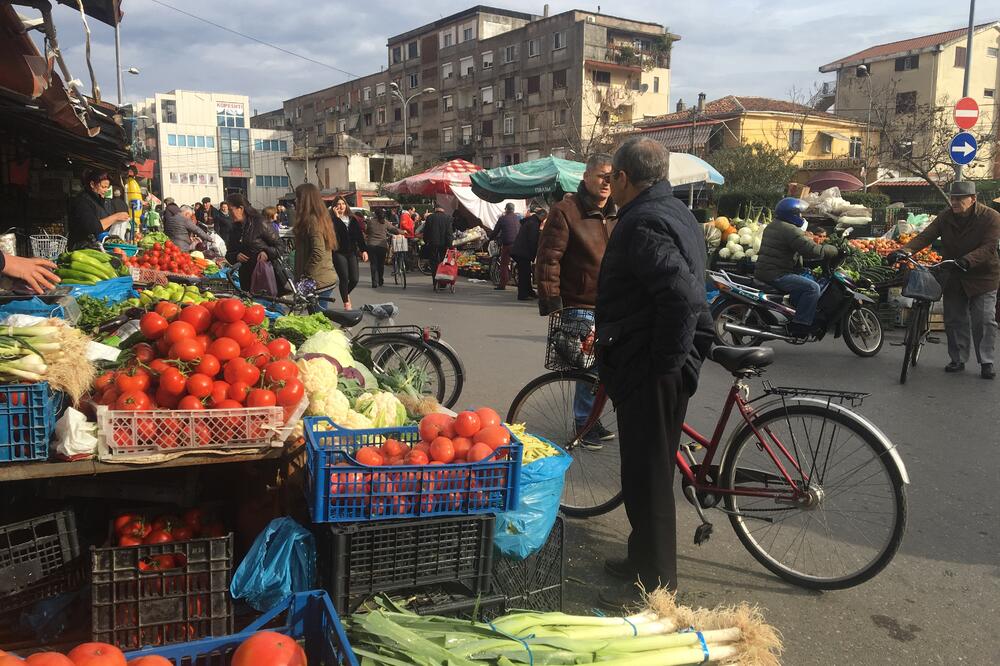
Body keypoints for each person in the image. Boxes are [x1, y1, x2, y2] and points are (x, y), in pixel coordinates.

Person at [594, 137, 714, 606]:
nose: (610, 187)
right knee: (644, 470)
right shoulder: (675, 210)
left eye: (612, 179)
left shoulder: (642, 221)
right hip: (657, 357)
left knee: (649, 476)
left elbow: (681, 296)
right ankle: (640, 558)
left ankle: (657, 586)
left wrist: (665, 363)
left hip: (652, 363)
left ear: (624, 178)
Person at [535, 153, 618, 446]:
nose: (606, 183)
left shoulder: (617, 211)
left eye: (611, 177)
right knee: (589, 366)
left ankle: (591, 419)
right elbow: (548, 258)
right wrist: (552, 301)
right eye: (601, 176)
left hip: (611, 303)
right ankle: (584, 423)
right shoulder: (566, 211)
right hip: (579, 303)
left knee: (605, 367)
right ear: (586, 177)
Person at [894, 181, 1000, 379]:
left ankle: (986, 361)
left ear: (973, 199)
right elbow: (926, 236)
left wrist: (967, 260)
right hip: (954, 273)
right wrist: (904, 250)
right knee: (954, 319)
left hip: (983, 276)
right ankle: (958, 358)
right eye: (953, 198)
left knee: (984, 319)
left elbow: (989, 247)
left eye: (960, 199)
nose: (955, 202)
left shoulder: (991, 217)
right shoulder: (945, 217)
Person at [753, 197, 838, 337]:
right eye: (799, 214)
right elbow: (811, 250)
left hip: (765, 271)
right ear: (791, 214)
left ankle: (795, 311)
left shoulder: (773, 225)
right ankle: (800, 325)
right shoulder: (790, 230)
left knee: (806, 279)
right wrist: (830, 250)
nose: (801, 217)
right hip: (777, 274)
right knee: (812, 288)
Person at [227, 193, 285, 293]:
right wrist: (236, 256)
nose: (229, 213)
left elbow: (280, 246)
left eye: (230, 209)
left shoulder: (260, 223)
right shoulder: (234, 228)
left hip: (265, 277)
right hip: (246, 279)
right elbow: (229, 253)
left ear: (241, 208)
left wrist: (267, 253)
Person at [293, 183, 339, 305]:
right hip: (318, 278)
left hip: (317, 280)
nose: (295, 201)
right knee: (315, 314)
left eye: (298, 197)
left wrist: (305, 273)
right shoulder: (318, 218)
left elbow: (318, 252)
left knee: (317, 316)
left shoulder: (313, 221)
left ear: (305, 200)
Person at [67, 170, 131, 249]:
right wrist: (115, 217)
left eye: (107, 187)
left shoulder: (99, 201)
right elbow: (92, 227)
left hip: (96, 246)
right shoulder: (82, 201)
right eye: (103, 187)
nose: (106, 190)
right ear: (92, 184)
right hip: (81, 248)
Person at [330, 195, 368, 310]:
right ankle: (347, 304)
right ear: (334, 207)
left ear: (346, 205)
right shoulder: (331, 221)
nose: (341, 206)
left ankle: (345, 294)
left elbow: (359, 236)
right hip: (338, 252)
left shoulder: (352, 219)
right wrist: (337, 218)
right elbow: (334, 233)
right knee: (344, 278)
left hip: (351, 252)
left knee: (354, 279)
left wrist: (364, 250)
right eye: (338, 204)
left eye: (343, 204)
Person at [511, 207, 546, 301]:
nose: (543, 221)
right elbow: (532, 240)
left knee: (526, 272)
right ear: (541, 216)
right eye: (544, 218)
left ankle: (529, 291)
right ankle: (523, 294)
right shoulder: (533, 224)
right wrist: (534, 254)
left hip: (519, 251)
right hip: (523, 252)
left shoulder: (530, 221)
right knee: (524, 273)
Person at [365, 209, 402, 288]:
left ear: (375, 214)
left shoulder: (370, 222)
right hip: (382, 246)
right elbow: (393, 229)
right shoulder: (385, 222)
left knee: (373, 264)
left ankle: (374, 282)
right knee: (381, 264)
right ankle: (380, 280)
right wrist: (402, 232)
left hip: (371, 245)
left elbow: (367, 231)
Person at [489, 203, 521, 291]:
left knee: (504, 264)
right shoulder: (518, 218)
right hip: (517, 244)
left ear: (506, 209)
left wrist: (490, 238)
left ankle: (502, 284)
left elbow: (496, 231)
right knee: (519, 263)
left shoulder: (502, 218)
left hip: (507, 244)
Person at [422, 205, 453, 270]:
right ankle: (442, 273)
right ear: (443, 209)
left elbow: (426, 231)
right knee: (443, 259)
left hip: (432, 243)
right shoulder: (447, 218)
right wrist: (450, 245)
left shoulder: (430, 217)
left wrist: (426, 241)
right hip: (444, 243)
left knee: (433, 261)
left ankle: (434, 274)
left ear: (435, 209)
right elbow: (449, 232)